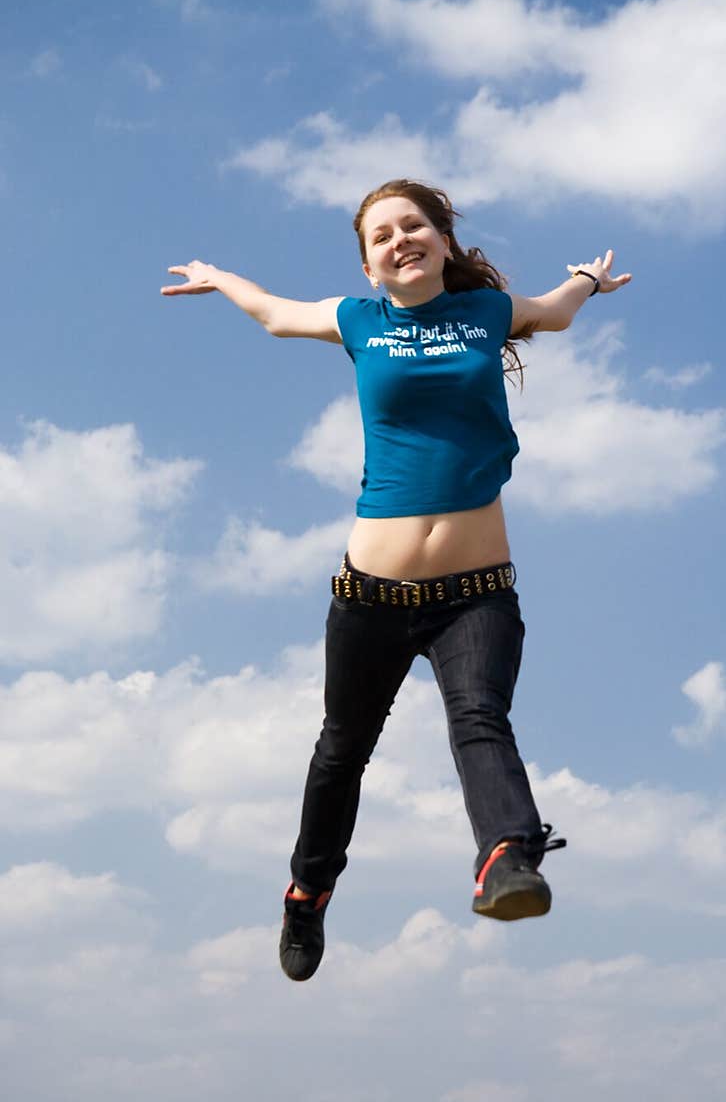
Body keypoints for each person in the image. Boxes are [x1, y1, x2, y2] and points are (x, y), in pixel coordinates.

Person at [162, 178, 632, 984]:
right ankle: (307, 892)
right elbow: (276, 315)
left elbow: (550, 313)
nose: (399, 240)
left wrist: (587, 281)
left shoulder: (487, 314)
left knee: (480, 720)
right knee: (342, 750)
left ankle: (508, 862)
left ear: (444, 241)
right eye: (381, 236)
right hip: (371, 598)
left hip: (476, 593)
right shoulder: (358, 322)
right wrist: (221, 278)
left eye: (413, 226)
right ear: (370, 267)